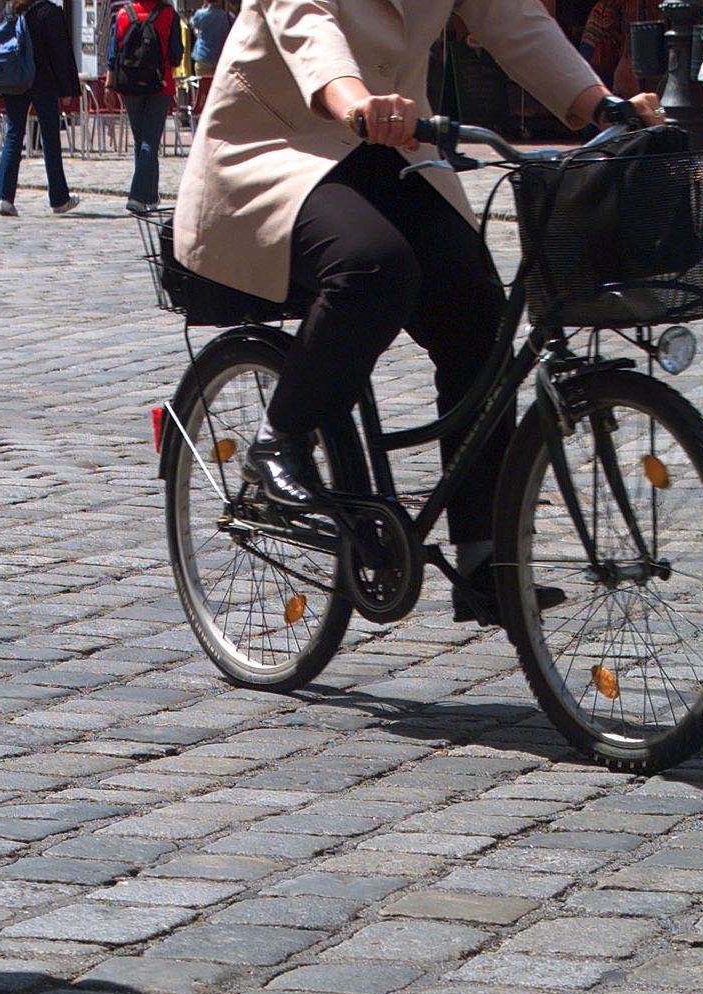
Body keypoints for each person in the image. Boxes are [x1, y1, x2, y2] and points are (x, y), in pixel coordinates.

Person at [173, 0, 660, 624]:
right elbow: (305, 23)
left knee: (479, 310)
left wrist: (601, 105)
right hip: (281, 144)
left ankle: (486, 562)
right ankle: (282, 439)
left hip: (396, 147)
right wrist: (352, 100)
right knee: (373, 266)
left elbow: (514, 19)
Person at [0, 0, 81, 216]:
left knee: (13, 134)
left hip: (15, 79)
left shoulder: (10, 11)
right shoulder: (48, 12)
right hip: (43, 81)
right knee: (50, 138)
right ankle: (59, 198)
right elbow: (60, 53)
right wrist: (67, 88)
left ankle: (4, 197)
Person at [108, 0, 182, 215]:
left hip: (129, 85)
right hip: (160, 85)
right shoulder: (168, 14)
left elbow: (113, 53)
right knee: (150, 142)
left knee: (141, 141)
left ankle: (150, 195)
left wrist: (109, 85)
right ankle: (138, 196)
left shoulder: (123, 13)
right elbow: (176, 56)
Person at [188, 0, 232, 76]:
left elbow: (192, 24)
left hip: (203, 56)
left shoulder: (200, 14)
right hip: (220, 58)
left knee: (203, 85)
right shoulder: (227, 16)